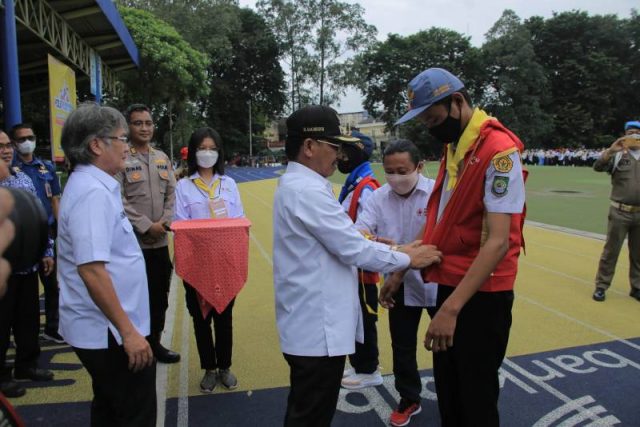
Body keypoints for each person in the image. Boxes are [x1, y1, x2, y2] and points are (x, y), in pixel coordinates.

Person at [273, 105, 442, 426]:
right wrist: (407, 257)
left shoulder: (302, 187)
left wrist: (395, 248)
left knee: (309, 410)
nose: (339, 155)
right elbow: (352, 247)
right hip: (316, 331)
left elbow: (350, 238)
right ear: (309, 147)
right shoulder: (306, 191)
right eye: (333, 147)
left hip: (313, 325)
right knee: (310, 415)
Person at [394, 68, 526, 427]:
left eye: (433, 119)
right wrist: (402, 268)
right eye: (424, 122)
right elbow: (442, 218)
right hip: (451, 282)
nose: (430, 128)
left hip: (482, 293)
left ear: (457, 102)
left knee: (476, 395)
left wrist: (450, 310)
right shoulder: (455, 146)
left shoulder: (500, 153)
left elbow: (498, 241)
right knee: (450, 391)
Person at [57, 103, 156, 426]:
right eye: (121, 137)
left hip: (110, 328)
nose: (127, 145)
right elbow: (91, 269)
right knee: (132, 412)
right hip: (109, 333)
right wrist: (128, 333)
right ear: (96, 145)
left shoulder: (96, 186)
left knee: (110, 408)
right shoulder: (91, 194)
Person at [367, 140, 437, 427]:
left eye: (402, 170)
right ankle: (409, 398)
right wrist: (369, 241)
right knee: (402, 346)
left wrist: (396, 269)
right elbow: (362, 232)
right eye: (389, 171)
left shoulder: (436, 193)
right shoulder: (377, 198)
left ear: (419, 167)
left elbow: (433, 240)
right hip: (400, 289)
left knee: (448, 345)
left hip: (437, 283)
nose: (395, 177)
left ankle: (456, 394)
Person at [174, 127, 244, 393]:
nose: (207, 153)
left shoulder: (229, 185)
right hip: (197, 264)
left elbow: (239, 222)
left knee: (224, 317)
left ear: (219, 152)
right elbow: (180, 224)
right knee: (200, 319)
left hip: (225, 262)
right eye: (202, 148)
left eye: (212, 148)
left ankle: (225, 366)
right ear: (194, 152)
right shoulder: (183, 186)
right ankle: (209, 369)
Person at [114, 104, 180, 364]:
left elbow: (173, 195)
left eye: (148, 123)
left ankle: (155, 344)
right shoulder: (121, 158)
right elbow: (117, 199)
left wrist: (162, 224)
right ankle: (134, 343)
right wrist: (145, 226)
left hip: (160, 243)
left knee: (159, 296)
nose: (144, 128)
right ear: (128, 127)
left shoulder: (162, 158)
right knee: (133, 297)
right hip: (133, 244)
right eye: (138, 123)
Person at [0, 130, 55, 398]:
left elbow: (39, 217)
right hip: (3, 269)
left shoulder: (22, 177)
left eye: (7, 145)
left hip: (28, 266)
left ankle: (27, 365)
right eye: (0, 146)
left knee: (28, 320)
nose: (6, 150)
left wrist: (46, 250)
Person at [337, 131, 384, 390]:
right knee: (354, 318)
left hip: (363, 269)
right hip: (352, 267)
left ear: (357, 153)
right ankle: (359, 364)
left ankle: (369, 368)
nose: (340, 156)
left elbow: (370, 229)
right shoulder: (355, 184)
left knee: (365, 319)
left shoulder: (366, 187)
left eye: (345, 151)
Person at [10, 124, 63, 344]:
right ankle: (15, 332)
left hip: (47, 232)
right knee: (22, 288)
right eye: (21, 139)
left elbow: (55, 199)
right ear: (14, 144)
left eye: (30, 137)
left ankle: (53, 327)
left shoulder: (46, 168)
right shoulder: (10, 169)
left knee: (52, 283)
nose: (27, 142)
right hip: (22, 235)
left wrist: (59, 226)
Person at [592, 121, 640, 302]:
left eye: (637, 132)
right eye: (631, 132)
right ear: (625, 134)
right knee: (611, 251)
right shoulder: (618, 155)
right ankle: (601, 286)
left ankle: (637, 287)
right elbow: (597, 167)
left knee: (638, 254)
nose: (634, 135)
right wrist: (612, 150)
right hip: (620, 211)